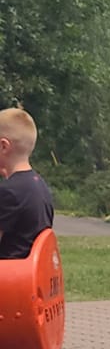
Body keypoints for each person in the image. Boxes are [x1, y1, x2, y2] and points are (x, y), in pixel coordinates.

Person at [0, 109, 54, 259]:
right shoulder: (41, 186)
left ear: (4, 146)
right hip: (32, 275)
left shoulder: (8, 192)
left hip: (9, 276)